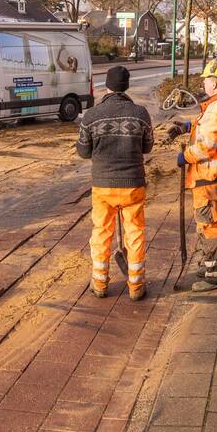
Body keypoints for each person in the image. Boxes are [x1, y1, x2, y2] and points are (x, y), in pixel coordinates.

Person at [76, 66, 154, 301]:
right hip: (133, 185)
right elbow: (148, 147)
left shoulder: (91, 115)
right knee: (135, 232)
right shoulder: (140, 114)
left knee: (101, 232)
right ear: (126, 86)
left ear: (107, 86)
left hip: (103, 186)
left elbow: (83, 151)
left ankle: (100, 284)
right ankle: (136, 286)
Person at [169, 74, 217, 292]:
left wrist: (186, 155)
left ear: (214, 83)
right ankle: (211, 265)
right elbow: (209, 125)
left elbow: (206, 146)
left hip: (210, 177)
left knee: (210, 224)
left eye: (205, 80)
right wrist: (188, 126)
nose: (203, 84)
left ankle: (216, 277)